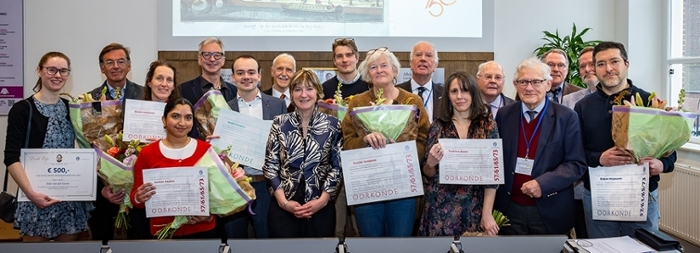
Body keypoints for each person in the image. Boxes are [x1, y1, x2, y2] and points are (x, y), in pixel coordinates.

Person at [574, 41, 676, 238]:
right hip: (599, 194)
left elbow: (670, 152)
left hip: (641, 195)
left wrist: (661, 164)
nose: (609, 69)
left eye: (614, 61)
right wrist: (599, 158)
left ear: (626, 64)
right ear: (594, 68)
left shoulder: (649, 102)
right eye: (601, 64)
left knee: (644, 248)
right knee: (602, 249)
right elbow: (574, 153)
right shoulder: (583, 107)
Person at [4, 52, 93, 242]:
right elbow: (11, 157)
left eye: (63, 71)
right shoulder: (22, 109)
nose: (58, 75)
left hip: (68, 199)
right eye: (52, 70)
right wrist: (31, 194)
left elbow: (86, 149)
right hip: (34, 197)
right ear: (39, 71)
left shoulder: (72, 109)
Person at [342, 47, 430, 237]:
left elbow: (424, 139)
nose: (379, 70)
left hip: (403, 188)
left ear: (395, 71)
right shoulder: (357, 102)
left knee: (400, 245)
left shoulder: (412, 101)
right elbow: (347, 143)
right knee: (371, 246)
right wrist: (365, 141)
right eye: (373, 67)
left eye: (384, 65)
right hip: (368, 188)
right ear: (367, 74)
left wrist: (402, 151)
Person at [494, 58, 586, 235]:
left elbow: (576, 164)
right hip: (509, 208)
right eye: (523, 82)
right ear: (515, 84)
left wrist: (543, 184)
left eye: (536, 82)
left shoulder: (566, 117)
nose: (529, 88)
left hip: (550, 209)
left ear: (548, 84)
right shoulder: (504, 115)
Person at [263, 69, 343, 238]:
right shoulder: (279, 123)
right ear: (292, 94)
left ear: (318, 92)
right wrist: (284, 203)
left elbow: (336, 167)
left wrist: (322, 200)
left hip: (320, 205)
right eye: (298, 89)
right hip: (283, 204)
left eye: (309, 88)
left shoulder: (333, 125)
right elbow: (270, 166)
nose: (303, 94)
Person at [419, 71, 499, 236]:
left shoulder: (487, 125)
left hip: (474, 207)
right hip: (439, 208)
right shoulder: (438, 126)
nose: (459, 96)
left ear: (473, 93)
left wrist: (487, 213)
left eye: (465, 90)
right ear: (448, 95)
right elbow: (428, 173)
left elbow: (493, 175)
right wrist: (431, 163)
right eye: (454, 91)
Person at [130, 98, 218, 238]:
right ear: (164, 120)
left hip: (202, 231)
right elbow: (135, 199)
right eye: (175, 116)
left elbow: (219, 195)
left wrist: (209, 216)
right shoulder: (147, 153)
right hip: (162, 232)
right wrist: (138, 197)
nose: (182, 123)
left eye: (188, 118)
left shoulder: (206, 150)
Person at [222, 55, 287, 239]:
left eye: (251, 72)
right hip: (235, 185)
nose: (246, 77)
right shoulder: (223, 108)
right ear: (232, 77)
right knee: (235, 238)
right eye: (240, 73)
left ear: (260, 76)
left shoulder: (277, 105)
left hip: (266, 184)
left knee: (266, 239)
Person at [88, 43, 145, 241]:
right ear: (101, 68)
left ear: (129, 66)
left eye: (121, 61)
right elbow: (88, 144)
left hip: (138, 186)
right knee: (101, 237)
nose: (115, 66)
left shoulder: (145, 95)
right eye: (109, 62)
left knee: (138, 240)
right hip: (103, 187)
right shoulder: (90, 100)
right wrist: (104, 184)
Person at [321, 37, 368, 238]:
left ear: (357, 58)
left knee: (362, 223)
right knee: (337, 224)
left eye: (349, 55)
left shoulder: (370, 87)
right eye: (339, 56)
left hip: (363, 159)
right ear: (334, 60)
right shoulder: (324, 89)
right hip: (334, 162)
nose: (345, 59)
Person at [561, 46, 597, 239]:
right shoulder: (570, 100)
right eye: (582, 66)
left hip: (611, 181)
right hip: (577, 185)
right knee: (584, 236)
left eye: (592, 63)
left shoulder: (626, 100)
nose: (587, 69)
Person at [179, 37, 237, 139]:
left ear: (223, 60)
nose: (212, 59)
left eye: (217, 55)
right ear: (200, 59)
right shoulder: (183, 89)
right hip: (195, 149)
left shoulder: (234, 91)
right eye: (207, 55)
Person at [396, 41, 443, 122]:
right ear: (410, 63)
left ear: (435, 65)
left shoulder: (445, 94)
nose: (423, 59)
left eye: (428, 55)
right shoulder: (397, 92)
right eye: (418, 55)